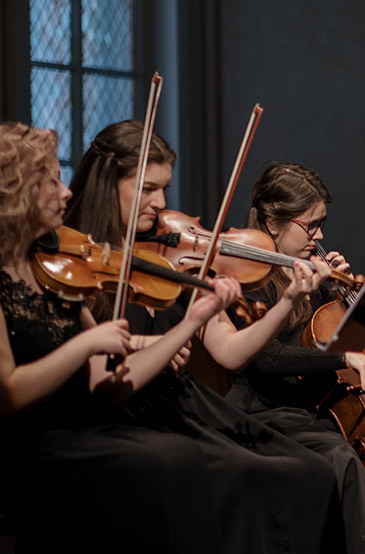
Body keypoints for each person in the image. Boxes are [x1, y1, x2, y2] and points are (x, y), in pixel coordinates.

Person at [63, 120, 342, 554]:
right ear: (106, 184)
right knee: (256, 476)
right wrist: (177, 333)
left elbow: (230, 352)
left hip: (183, 402)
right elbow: (103, 372)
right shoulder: (80, 264)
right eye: (147, 189)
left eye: (164, 189)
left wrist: (288, 299)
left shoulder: (171, 258)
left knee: (314, 472)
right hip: (138, 410)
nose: (161, 203)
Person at [0, 122, 247, 553]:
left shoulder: (54, 272)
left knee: (182, 456)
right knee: (164, 462)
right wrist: (87, 344)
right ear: (18, 193)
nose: (66, 193)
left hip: (84, 429)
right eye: (51, 182)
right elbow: (10, 393)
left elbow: (110, 370)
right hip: (32, 446)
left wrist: (190, 322)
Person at [227, 162, 365, 554]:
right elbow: (269, 358)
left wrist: (338, 296)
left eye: (321, 224)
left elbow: (324, 338)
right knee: (340, 456)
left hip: (308, 407)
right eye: (310, 226)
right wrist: (341, 359)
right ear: (273, 223)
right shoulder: (248, 276)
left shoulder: (308, 275)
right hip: (263, 410)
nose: (320, 236)